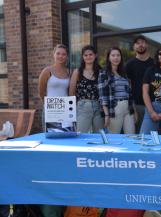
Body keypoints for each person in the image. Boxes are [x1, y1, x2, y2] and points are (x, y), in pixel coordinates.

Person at [38, 43, 69, 217]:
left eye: (64, 54)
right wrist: (50, 106)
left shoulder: (69, 73)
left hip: (65, 112)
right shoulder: (47, 71)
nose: (61, 56)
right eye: (58, 53)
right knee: (50, 141)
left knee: (64, 141)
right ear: (54, 54)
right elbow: (41, 92)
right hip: (50, 111)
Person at [98, 47, 136, 134]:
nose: (116, 58)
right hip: (115, 108)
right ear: (109, 58)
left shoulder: (124, 73)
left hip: (128, 108)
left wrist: (134, 111)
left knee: (131, 136)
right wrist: (107, 115)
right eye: (113, 55)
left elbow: (129, 94)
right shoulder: (104, 73)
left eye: (118, 55)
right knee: (113, 137)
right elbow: (103, 97)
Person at [69, 45, 103, 133]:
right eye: (85, 55)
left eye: (90, 54)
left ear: (95, 55)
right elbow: (71, 92)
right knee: (80, 135)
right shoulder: (77, 72)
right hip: (83, 106)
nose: (88, 57)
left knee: (99, 137)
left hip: (98, 107)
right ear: (82, 57)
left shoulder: (101, 71)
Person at [125, 36, 154, 133]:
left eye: (143, 42)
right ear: (133, 47)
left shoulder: (155, 63)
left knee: (155, 135)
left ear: (147, 45)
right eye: (137, 43)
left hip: (154, 105)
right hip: (137, 106)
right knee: (139, 136)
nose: (140, 45)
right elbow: (127, 87)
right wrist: (132, 108)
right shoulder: (129, 65)